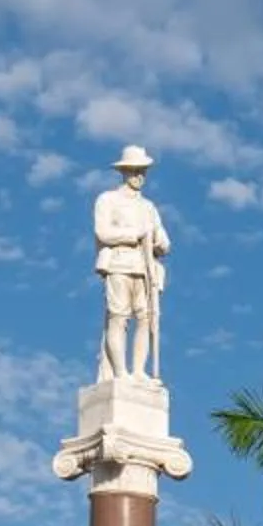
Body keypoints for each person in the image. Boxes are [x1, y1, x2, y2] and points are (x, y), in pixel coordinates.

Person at [92, 144, 169, 380]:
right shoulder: (108, 200)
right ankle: (120, 372)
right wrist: (134, 234)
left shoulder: (148, 207)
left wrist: (159, 243)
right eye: (135, 171)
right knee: (119, 318)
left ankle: (138, 371)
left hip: (144, 268)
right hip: (119, 263)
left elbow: (164, 239)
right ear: (124, 172)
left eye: (142, 171)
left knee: (145, 318)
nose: (139, 177)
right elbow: (103, 232)